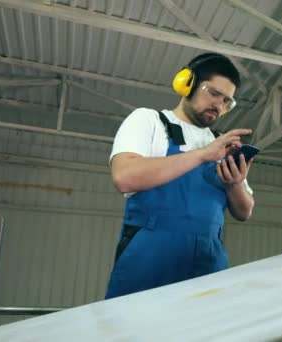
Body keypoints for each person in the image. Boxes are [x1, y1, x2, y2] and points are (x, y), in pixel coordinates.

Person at [105, 52, 255, 299]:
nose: (219, 105)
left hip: (209, 265)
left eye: (227, 101)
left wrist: (235, 184)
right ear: (187, 83)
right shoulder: (149, 121)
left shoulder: (222, 145)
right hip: (148, 263)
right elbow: (124, 176)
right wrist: (202, 155)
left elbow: (245, 211)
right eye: (213, 93)